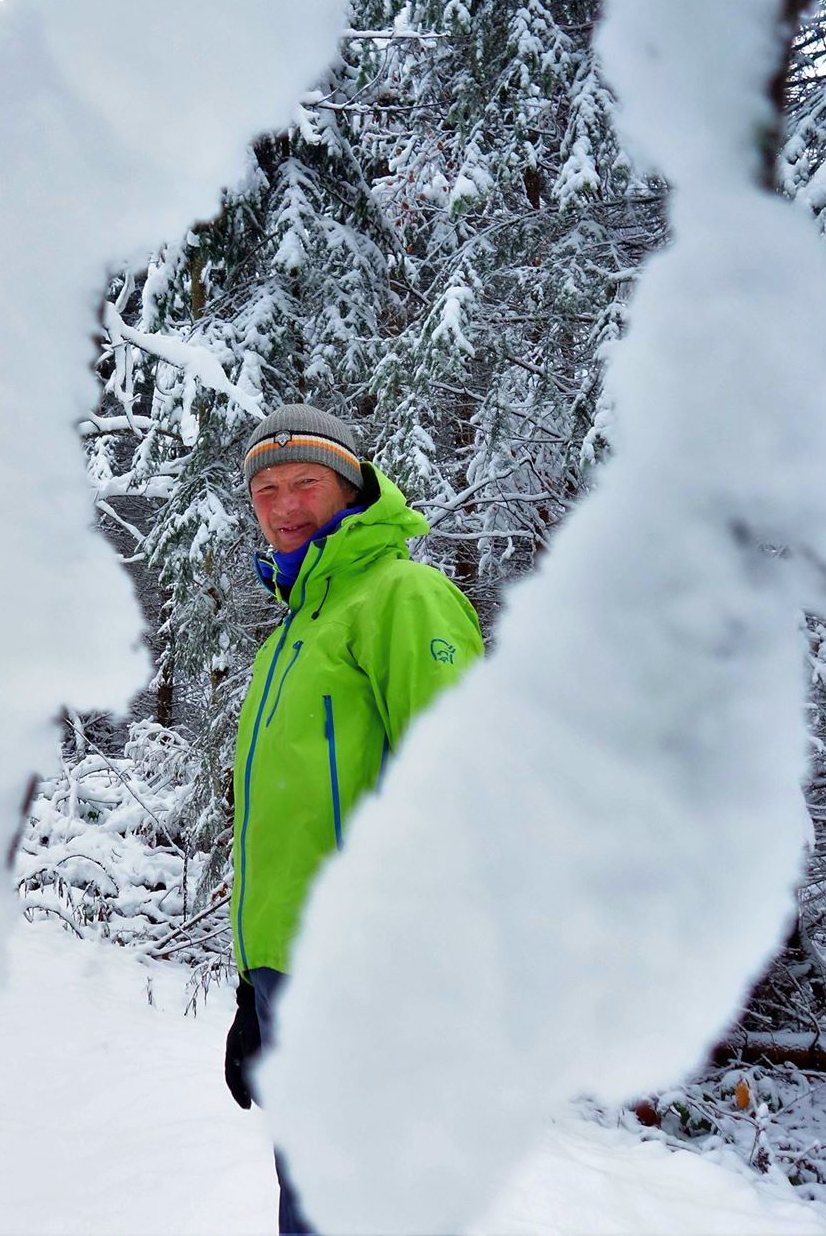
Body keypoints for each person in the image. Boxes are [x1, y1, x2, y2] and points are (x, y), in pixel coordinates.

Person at [221, 402, 483, 1234]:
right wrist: (252, 988)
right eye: (267, 489)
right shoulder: (294, 631)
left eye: (306, 482)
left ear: (353, 487)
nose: (286, 505)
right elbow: (288, 823)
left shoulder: (403, 596)